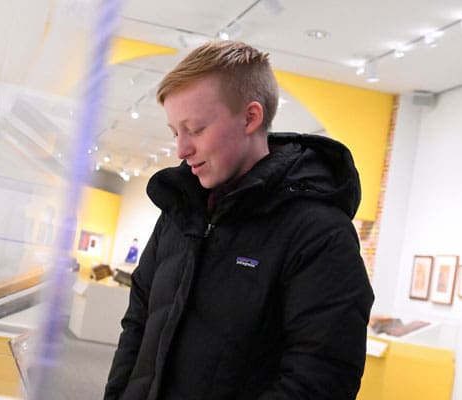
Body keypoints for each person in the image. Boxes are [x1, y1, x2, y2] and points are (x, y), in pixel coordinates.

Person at [104, 40, 374, 399]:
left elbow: (321, 378)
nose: (181, 150)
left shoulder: (320, 233)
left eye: (196, 129)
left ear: (250, 117)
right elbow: (137, 328)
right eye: (175, 133)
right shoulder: (178, 214)